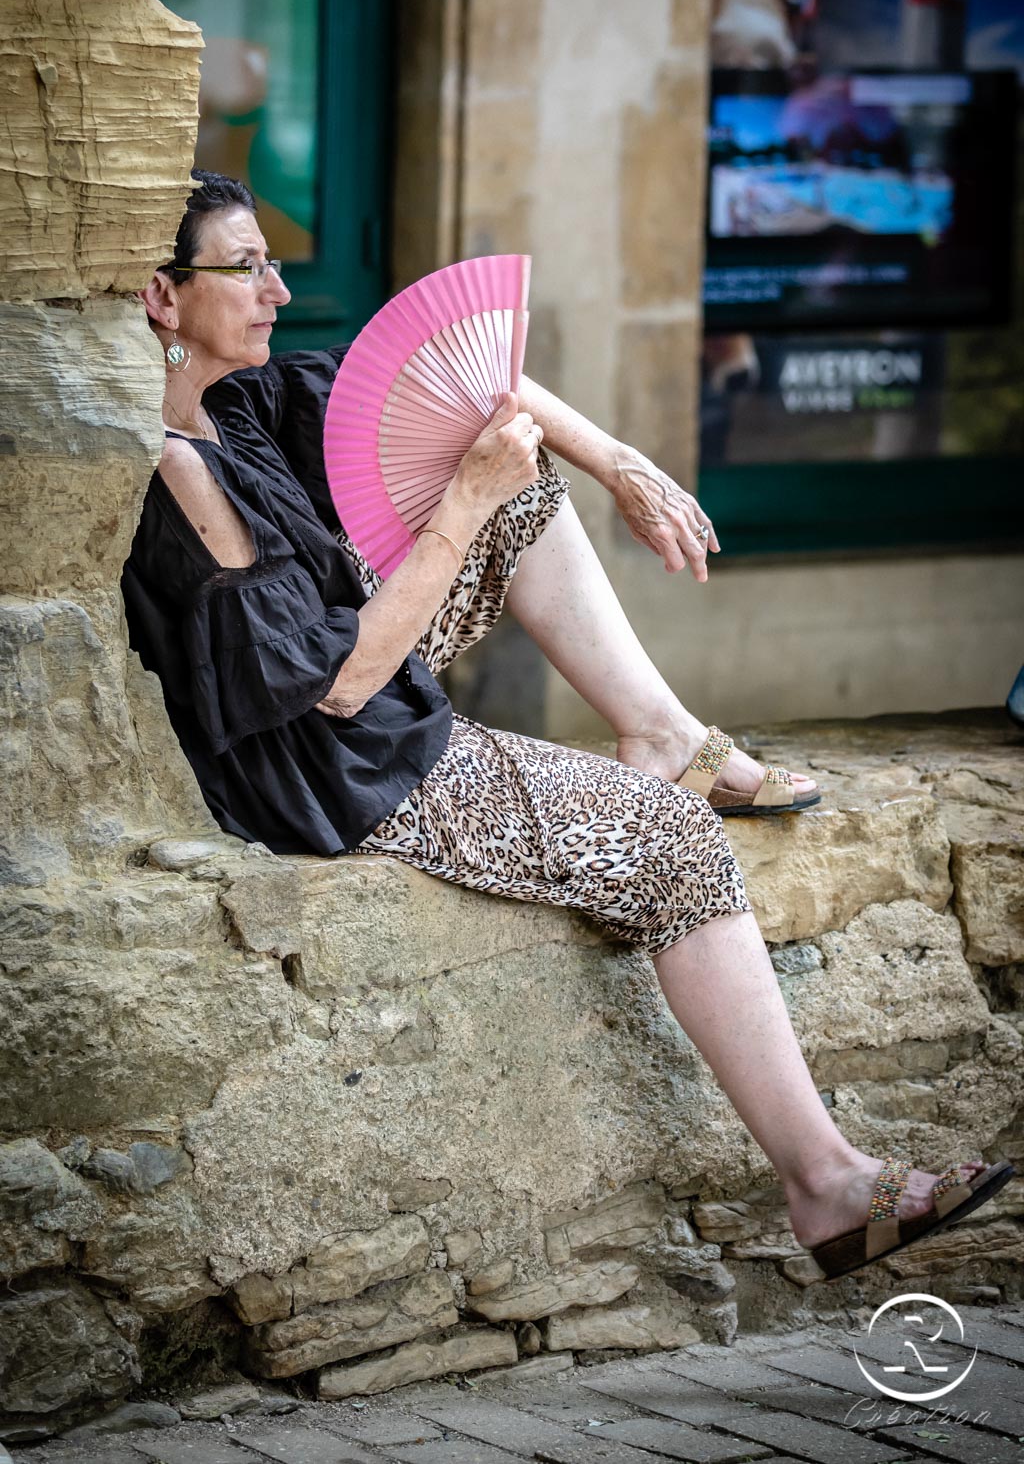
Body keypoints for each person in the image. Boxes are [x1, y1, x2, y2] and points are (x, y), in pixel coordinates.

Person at [122, 170, 1011, 1280]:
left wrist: (620, 465)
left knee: (517, 477)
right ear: (163, 295)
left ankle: (662, 732)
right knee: (674, 841)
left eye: (271, 260)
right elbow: (338, 686)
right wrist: (458, 508)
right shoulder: (180, 468)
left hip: (367, 688)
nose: (278, 286)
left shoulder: (235, 400)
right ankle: (827, 1183)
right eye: (246, 265)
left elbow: (468, 385)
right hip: (347, 765)